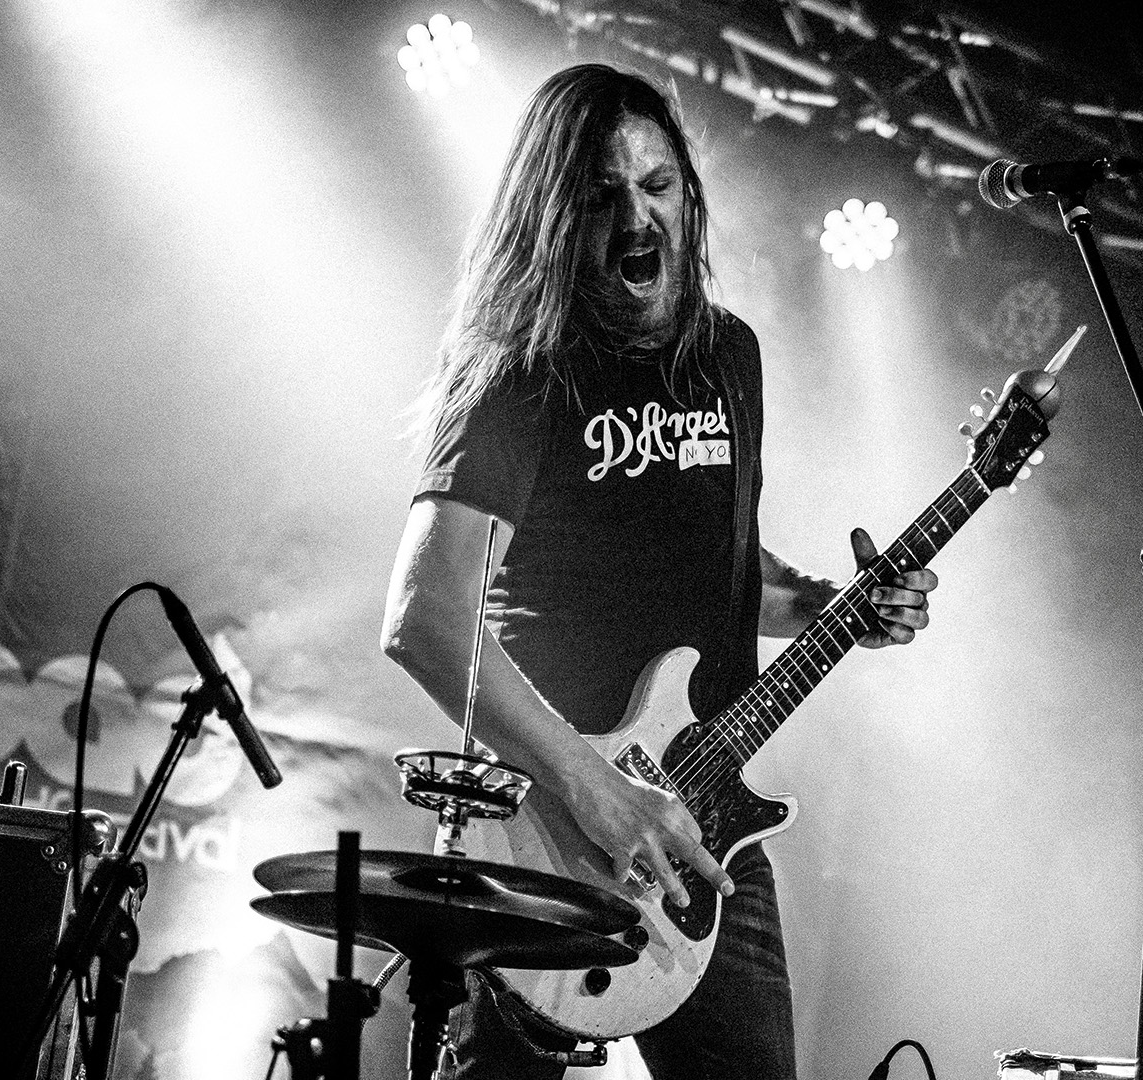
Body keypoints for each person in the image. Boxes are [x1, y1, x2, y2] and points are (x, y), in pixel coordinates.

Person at [380, 63, 937, 1079]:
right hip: (548, 827)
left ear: (690, 194)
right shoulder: (517, 374)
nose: (638, 215)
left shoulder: (730, 355)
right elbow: (424, 616)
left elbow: (716, 569)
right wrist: (596, 791)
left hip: (702, 827)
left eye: (658, 184)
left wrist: (833, 606)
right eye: (602, 193)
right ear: (555, 217)